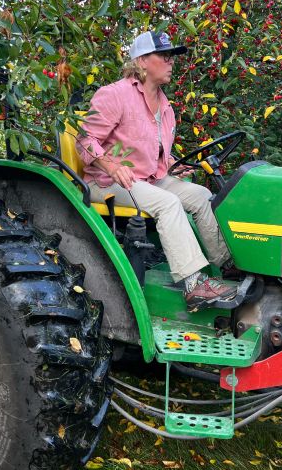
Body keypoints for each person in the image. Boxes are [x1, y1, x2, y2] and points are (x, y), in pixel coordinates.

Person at [75, 30, 233, 309]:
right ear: (143, 61)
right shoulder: (114, 95)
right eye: (165, 56)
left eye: (172, 56)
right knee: (169, 203)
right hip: (108, 183)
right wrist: (110, 165)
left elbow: (156, 152)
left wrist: (172, 164)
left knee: (200, 195)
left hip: (148, 180)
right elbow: (85, 141)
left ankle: (228, 268)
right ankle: (194, 286)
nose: (171, 62)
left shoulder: (165, 106)